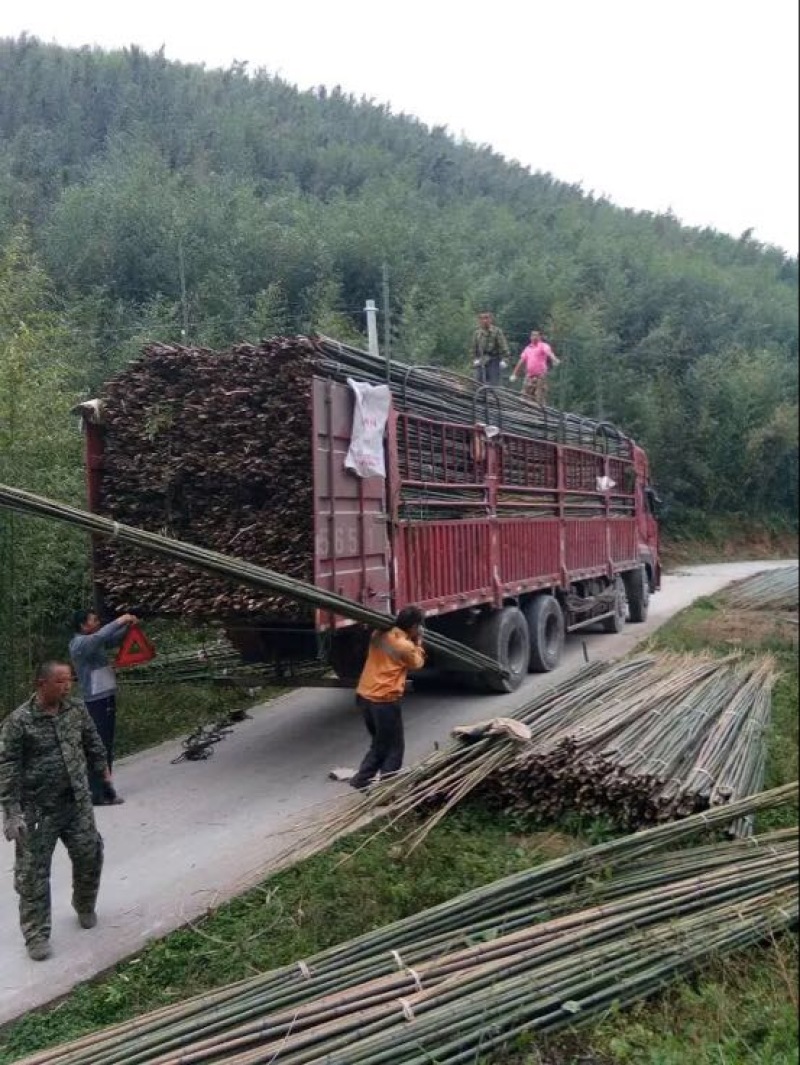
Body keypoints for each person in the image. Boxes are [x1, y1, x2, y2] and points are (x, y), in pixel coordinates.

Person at [0, 661, 111, 961]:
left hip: (76, 803)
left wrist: (102, 768)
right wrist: (11, 812)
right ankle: (36, 935)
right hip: (37, 811)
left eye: (69, 680)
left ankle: (84, 904)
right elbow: (7, 767)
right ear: (41, 683)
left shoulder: (75, 710)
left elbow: (91, 739)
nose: (67, 686)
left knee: (90, 854)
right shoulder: (18, 722)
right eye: (60, 681)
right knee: (33, 874)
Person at [349, 606, 427, 791]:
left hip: (365, 695)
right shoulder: (405, 646)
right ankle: (385, 788)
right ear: (414, 626)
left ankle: (362, 779)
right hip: (383, 700)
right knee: (394, 748)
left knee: (380, 743)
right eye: (419, 626)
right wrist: (419, 642)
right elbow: (417, 663)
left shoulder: (378, 633)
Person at [69, 609, 137, 805]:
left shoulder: (95, 641)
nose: (97, 622)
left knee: (105, 747)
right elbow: (103, 635)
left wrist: (128, 626)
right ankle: (99, 793)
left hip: (105, 697)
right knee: (98, 748)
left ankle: (103, 790)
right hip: (95, 702)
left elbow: (113, 638)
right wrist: (120, 620)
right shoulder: (80, 643)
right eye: (94, 620)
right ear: (83, 625)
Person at [510, 331, 561, 404]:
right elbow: (521, 361)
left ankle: (539, 413)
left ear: (540, 337)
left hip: (540, 376)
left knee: (539, 397)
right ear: (530, 337)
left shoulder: (543, 346)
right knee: (524, 395)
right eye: (532, 335)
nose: (534, 337)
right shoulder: (527, 348)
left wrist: (554, 359)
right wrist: (514, 374)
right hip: (529, 376)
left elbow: (549, 353)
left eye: (536, 335)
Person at [470, 312, 510, 387]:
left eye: (486, 318)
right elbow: (473, 349)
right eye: (482, 318)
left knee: (494, 385)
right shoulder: (477, 333)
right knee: (477, 383)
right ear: (479, 320)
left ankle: (493, 397)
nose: (484, 320)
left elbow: (504, 347)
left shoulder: (497, 331)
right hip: (481, 360)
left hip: (494, 360)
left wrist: (505, 360)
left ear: (491, 319)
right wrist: (474, 360)